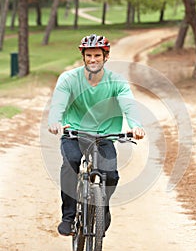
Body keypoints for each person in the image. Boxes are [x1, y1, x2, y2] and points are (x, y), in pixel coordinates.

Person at [48, 34, 145, 236]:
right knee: (71, 163)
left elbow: (128, 104)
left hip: (104, 135)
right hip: (74, 132)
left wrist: (136, 126)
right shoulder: (69, 79)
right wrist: (55, 121)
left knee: (110, 176)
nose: (93, 60)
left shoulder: (116, 81)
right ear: (83, 56)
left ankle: (102, 208)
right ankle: (68, 216)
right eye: (89, 55)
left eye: (97, 56)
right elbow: (58, 103)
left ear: (105, 56)